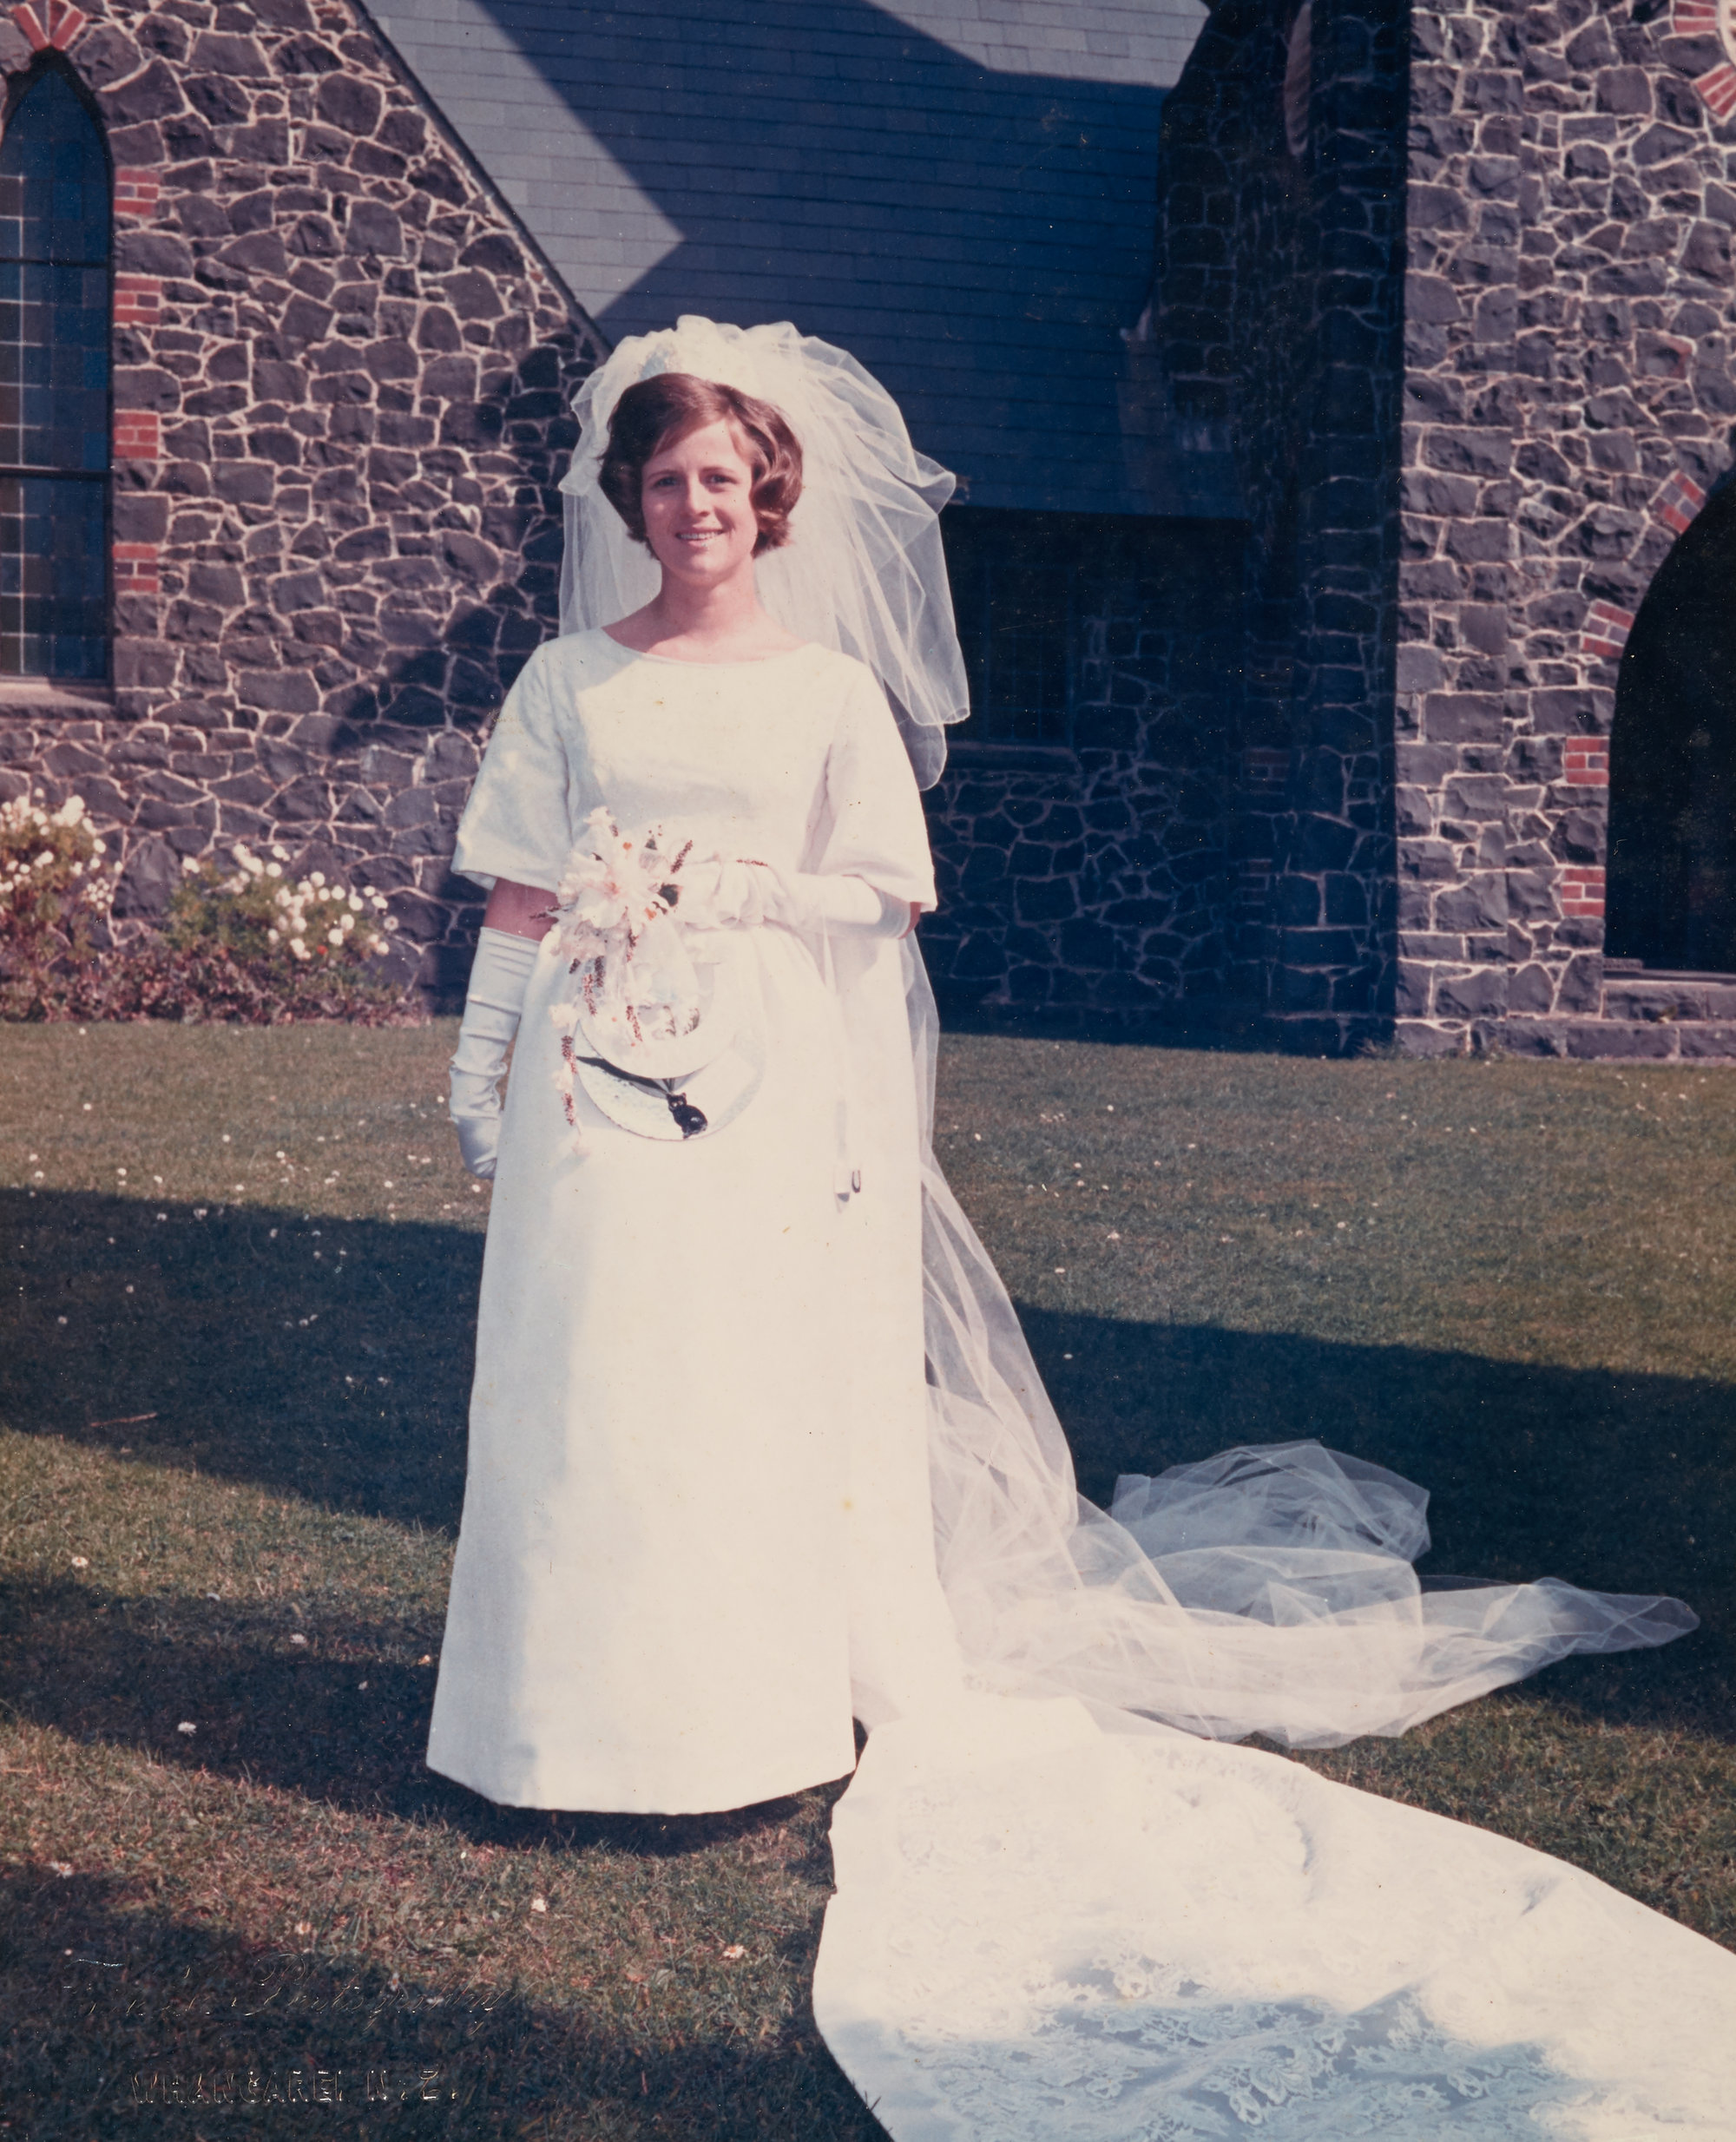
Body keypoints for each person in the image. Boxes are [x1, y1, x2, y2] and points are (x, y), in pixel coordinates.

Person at [432, 319, 1736, 2136]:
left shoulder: (818, 692)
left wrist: (733, 886)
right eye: (664, 481)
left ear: (768, 494)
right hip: (599, 1081)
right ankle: (548, 1726)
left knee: (728, 1396)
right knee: (588, 1387)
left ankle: (731, 1725)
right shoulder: (571, 678)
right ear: (629, 502)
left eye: (720, 479)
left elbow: (893, 885)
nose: (692, 506)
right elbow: (513, 879)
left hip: (760, 1083)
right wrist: (486, 1066)